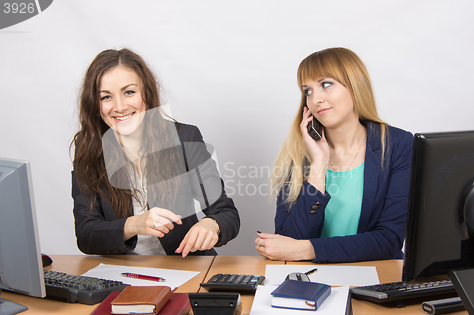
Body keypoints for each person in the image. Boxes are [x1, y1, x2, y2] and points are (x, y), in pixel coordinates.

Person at [71, 48, 239, 257]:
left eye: (129, 92)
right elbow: (86, 235)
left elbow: (226, 213)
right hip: (122, 273)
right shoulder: (88, 147)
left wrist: (212, 224)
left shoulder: (185, 138)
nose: (120, 106)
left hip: (182, 266)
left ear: (147, 94)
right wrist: (133, 224)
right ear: (95, 104)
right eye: (106, 97)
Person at [255, 47, 413, 262]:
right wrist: (319, 164)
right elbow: (288, 241)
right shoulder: (298, 152)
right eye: (307, 91)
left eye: (325, 85)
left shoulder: (397, 145)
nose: (315, 99)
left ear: (355, 85)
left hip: (377, 276)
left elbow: (389, 240)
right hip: (312, 278)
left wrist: (309, 249)